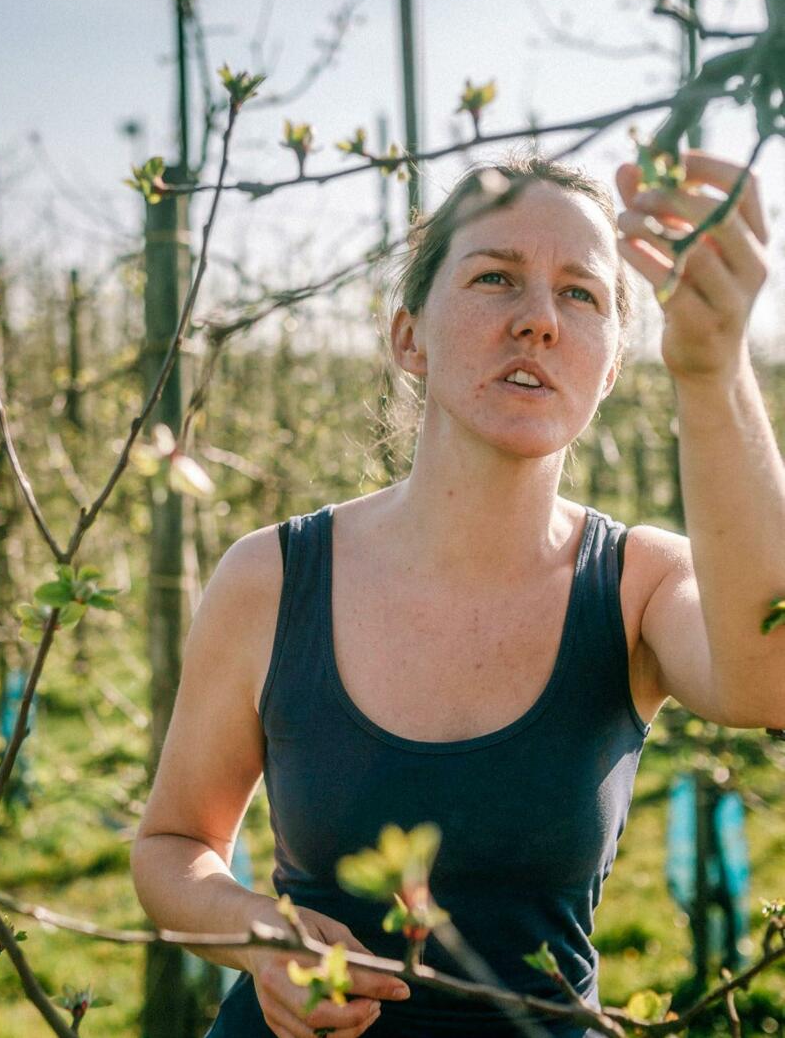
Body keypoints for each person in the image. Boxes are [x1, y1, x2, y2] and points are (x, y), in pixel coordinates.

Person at [129, 146, 783, 1038]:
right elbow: (173, 845)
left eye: (580, 294)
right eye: (494, 277)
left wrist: (713, 372)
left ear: (608, 367)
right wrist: (259, 936)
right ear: (409, 336)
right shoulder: (271, 578)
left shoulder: (639, 583)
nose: (538, 320)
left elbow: (767, 679)